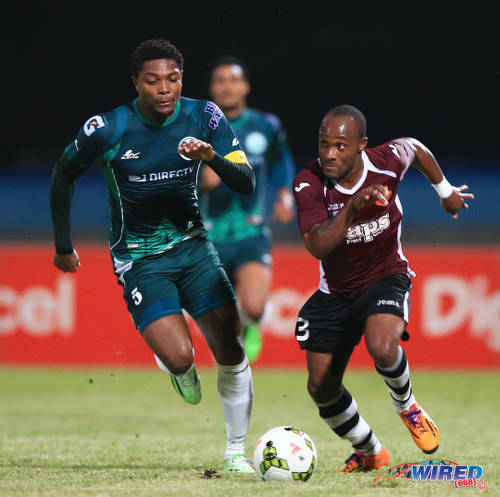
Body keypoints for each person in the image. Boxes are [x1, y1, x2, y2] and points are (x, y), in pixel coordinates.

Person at [49, 39, 257, 473]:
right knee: (182, 357)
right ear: (136, 83)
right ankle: (179, 368)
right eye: (153, 80)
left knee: (232, 349)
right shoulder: (107, 129)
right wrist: (64, 245)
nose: (165, 88)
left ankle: (236, 452)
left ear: (182, 79)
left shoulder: (205, 116)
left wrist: (211, 156)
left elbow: (246, 183)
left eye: (173, 78)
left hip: (195, 247)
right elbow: (62, 175)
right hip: (140, 260)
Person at [292, 105, 473, 472]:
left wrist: (446, 191)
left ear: (362, 145)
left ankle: (407, 407)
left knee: (382, 345)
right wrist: (353, 208)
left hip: (384, 276)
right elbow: (316, 245)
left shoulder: (386, 161)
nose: (329, 153)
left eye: (340, 146)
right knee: (320, 388)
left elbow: (416, 148)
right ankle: (371, 450)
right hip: (335, 292)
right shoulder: (308, 183)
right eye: (324, 144)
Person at [200, 56, 295, 362]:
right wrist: (201, 179)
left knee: (254, 307)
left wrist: (285, 195)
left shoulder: (265, 126)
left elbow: (281, 160)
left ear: (245, 86)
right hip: (210, 236)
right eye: (220, 80)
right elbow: (175, 174)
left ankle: (252, 326)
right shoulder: (198, 127)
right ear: (212, 89)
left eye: (233, 79)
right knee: (218, 320)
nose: (227, 86)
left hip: (251, 232)